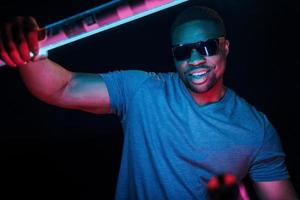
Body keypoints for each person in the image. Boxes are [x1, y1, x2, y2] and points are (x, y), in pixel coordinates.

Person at [0, 6, 298, 200]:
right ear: (173, 56)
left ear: (225, 47)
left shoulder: (255, 129)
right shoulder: (143, 91)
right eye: (183, 52)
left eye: (206, 48)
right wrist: (29, 50)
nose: (195, 60)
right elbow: (63, 88)